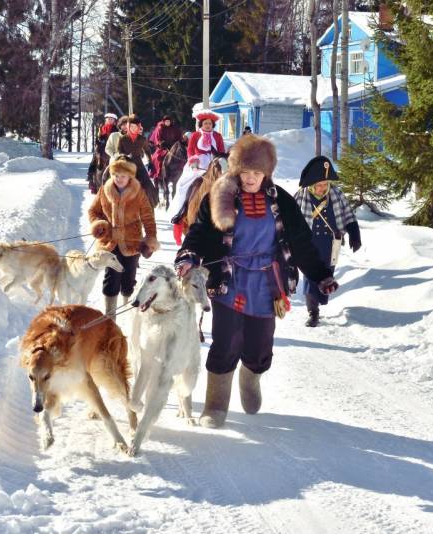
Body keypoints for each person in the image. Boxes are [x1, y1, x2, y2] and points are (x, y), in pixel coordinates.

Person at [174, 135, 338, 429]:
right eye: (245, 172)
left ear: (267, 173)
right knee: (226, 341)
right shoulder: (219, 196)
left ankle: (251, 377)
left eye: (257, 173)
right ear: (236, 171)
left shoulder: (282, 201)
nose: (250, 178)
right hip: (229, 279)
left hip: (266, 283)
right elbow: (199, 232)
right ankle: (215, 405)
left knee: (260, 344)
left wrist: (320, 274)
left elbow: (301, 242)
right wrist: (188, 256)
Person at [294, 156, 361, 327]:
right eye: (319, 185)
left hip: (331, 243)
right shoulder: (301, 196)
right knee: (311, 276)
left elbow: (348, 213)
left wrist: (354, 232)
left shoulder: (336, 194)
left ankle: (319, 302)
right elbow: (290, 219)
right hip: (308, 243)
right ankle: (313, 312)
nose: (323, 188)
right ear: (311, 184)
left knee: (327, 274)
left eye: (325, 184)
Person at [88, 156, 159, 318]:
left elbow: (148, 217)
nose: (119, 179)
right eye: (116, 175)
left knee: (128, 280)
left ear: (130, 176)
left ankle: (128, 314)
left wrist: (151, 238)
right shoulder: (104, 190)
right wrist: (98, 223)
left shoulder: (138, 192)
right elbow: (93, 211)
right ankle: (110, 317)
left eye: (123, 176)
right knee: (111, 280)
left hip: (131, 243)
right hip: (110, 243)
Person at [117, 114, 159, 209]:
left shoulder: (142, 139)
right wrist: (125, 156)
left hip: (138, 164)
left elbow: (147, 151)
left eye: (135, 127)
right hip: (126, 164)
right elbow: (119, 151)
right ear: (128, 126)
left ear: (138, 127)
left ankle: (150, 206)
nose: (133, 128)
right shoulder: (123, 138)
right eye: (131, 126)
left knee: (148, 185)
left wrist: (150, 162)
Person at [87, 113, 118, 194]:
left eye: (111, 119)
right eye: (108, 119)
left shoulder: (116, 129)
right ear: (106, 120)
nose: (109, 120)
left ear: (114, 121)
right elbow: (98, 138)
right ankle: (90, 176)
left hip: (111, 148)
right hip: (101, 148)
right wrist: (98, 141)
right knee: (94, 160)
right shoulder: (101, 128)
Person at [150, 115, 183, 180]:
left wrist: (179, 142)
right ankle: (159, 173)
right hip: (163, 147)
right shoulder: (160, 128)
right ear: (164, 122)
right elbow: (157, 138)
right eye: (166, 121)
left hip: (173, 146)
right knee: (158, 158)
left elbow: (178, 137)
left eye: (169, 121)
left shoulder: (174, 128)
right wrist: (160, 143)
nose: (167, 123)